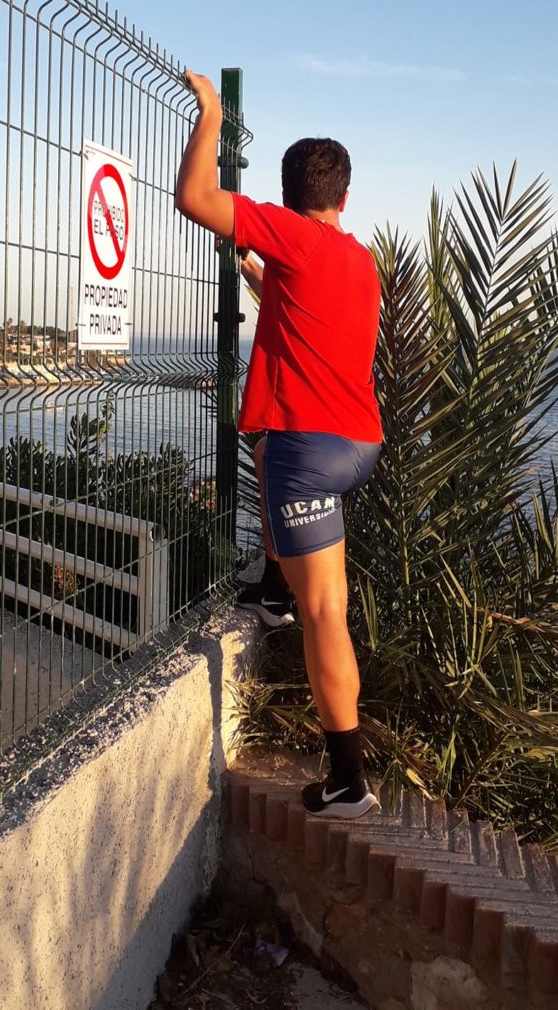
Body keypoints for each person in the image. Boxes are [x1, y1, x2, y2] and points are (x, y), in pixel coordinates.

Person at [175, 69, 382, 820]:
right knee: (269, 462)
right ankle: (270, 589)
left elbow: (195, 199)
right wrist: (264, 278)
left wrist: (211, 114)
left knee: (327, 610)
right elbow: (312, 312)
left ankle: (348, 780)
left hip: (309, 450)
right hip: (360, 444)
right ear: (344, 197)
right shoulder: (358, 261)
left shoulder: (290, 230)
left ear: (292, 195)